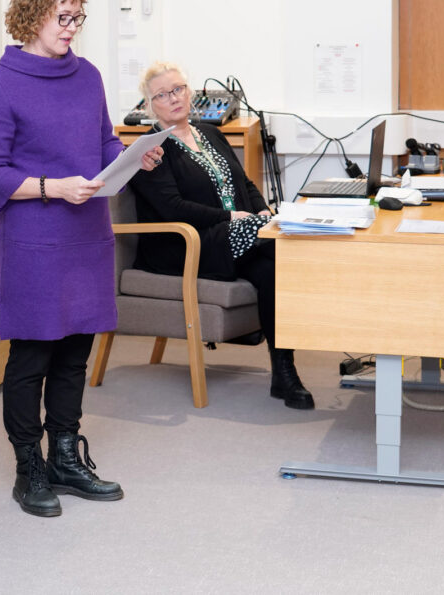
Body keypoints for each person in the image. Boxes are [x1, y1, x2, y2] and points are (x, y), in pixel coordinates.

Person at [0, 0, 163, 518]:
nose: (72, 27)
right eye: (64, 17)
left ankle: (65, 457)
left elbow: (101, 141)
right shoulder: (1, 83)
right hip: (35, 238)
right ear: (32, 15)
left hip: (87, 235)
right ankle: (28, 466)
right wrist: (53, 188)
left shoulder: (88, 76)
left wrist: (130, 155)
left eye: (79, 17)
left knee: (76, 352)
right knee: (32, 356)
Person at [128, 62, 314, 410]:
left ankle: (284, 373)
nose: (174, 98)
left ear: (190, 92)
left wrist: (260, 211)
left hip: (234, 238)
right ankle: (268, 235)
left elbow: (244, 183)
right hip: (184, 244)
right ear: (149, 106)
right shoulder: (149, 151)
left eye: (179, 89)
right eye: (162, 94)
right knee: (272, 240)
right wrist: (232, 216)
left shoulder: (210, 133)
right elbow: (172, 208)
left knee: (273, 269)